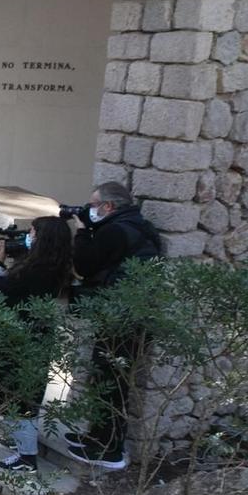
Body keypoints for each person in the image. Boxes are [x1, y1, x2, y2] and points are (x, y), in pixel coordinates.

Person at [70, 181, 165, 468]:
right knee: (108, 378)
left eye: (93, 205)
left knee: (111, 382)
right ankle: (97, 439)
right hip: (130, 314)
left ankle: (108, 450)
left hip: (120, 317)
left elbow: (85, 265)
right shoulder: (139, 226)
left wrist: (83, 232)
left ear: (108, 206)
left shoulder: (114, 230)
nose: (90, 210)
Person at [0, 218, 76, 473]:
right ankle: (20, 442)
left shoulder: (39, 270)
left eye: (33, 232)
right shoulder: (51, 264)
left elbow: (0, 289)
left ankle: (27, 457)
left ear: (43, 238)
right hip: (27, 333)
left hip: (22, 337)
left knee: (20, 395)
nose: (28, 236)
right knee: (11, 392)